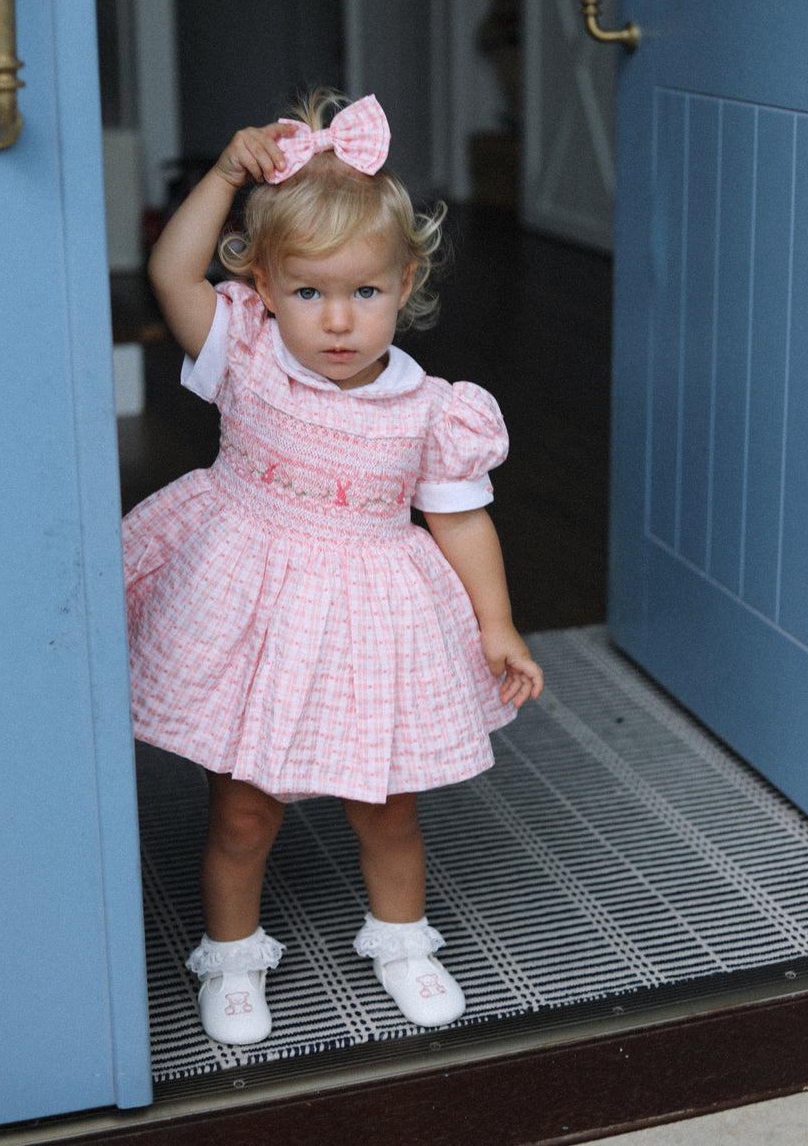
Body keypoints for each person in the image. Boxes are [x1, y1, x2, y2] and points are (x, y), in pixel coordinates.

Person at [124, 91, 543, 1046]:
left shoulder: (434, 408)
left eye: (366, 292)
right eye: (309, 292)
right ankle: (231, 958)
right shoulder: (245, 353)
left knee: (387, 806)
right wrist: (227, 175)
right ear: (263, 287)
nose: (340, 320)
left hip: (370, 619)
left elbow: (463, 521)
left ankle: (400, 939)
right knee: (243, 810)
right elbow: (168, 268)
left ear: (406, 284)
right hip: (254, 608)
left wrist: (498, 623)